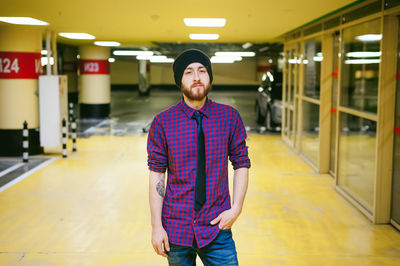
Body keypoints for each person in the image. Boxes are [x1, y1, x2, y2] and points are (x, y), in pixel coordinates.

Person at [147, 49, 251, 265]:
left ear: (209, 77)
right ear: (179, 80)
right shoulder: (163, 122)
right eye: (188, 72)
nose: (196, 77)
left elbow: (241, 163)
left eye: (202, 71)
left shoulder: (229, 117)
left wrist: (237, 208)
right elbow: (157, 174)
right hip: (176, 228)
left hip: (217, 226)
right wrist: (156, 226)